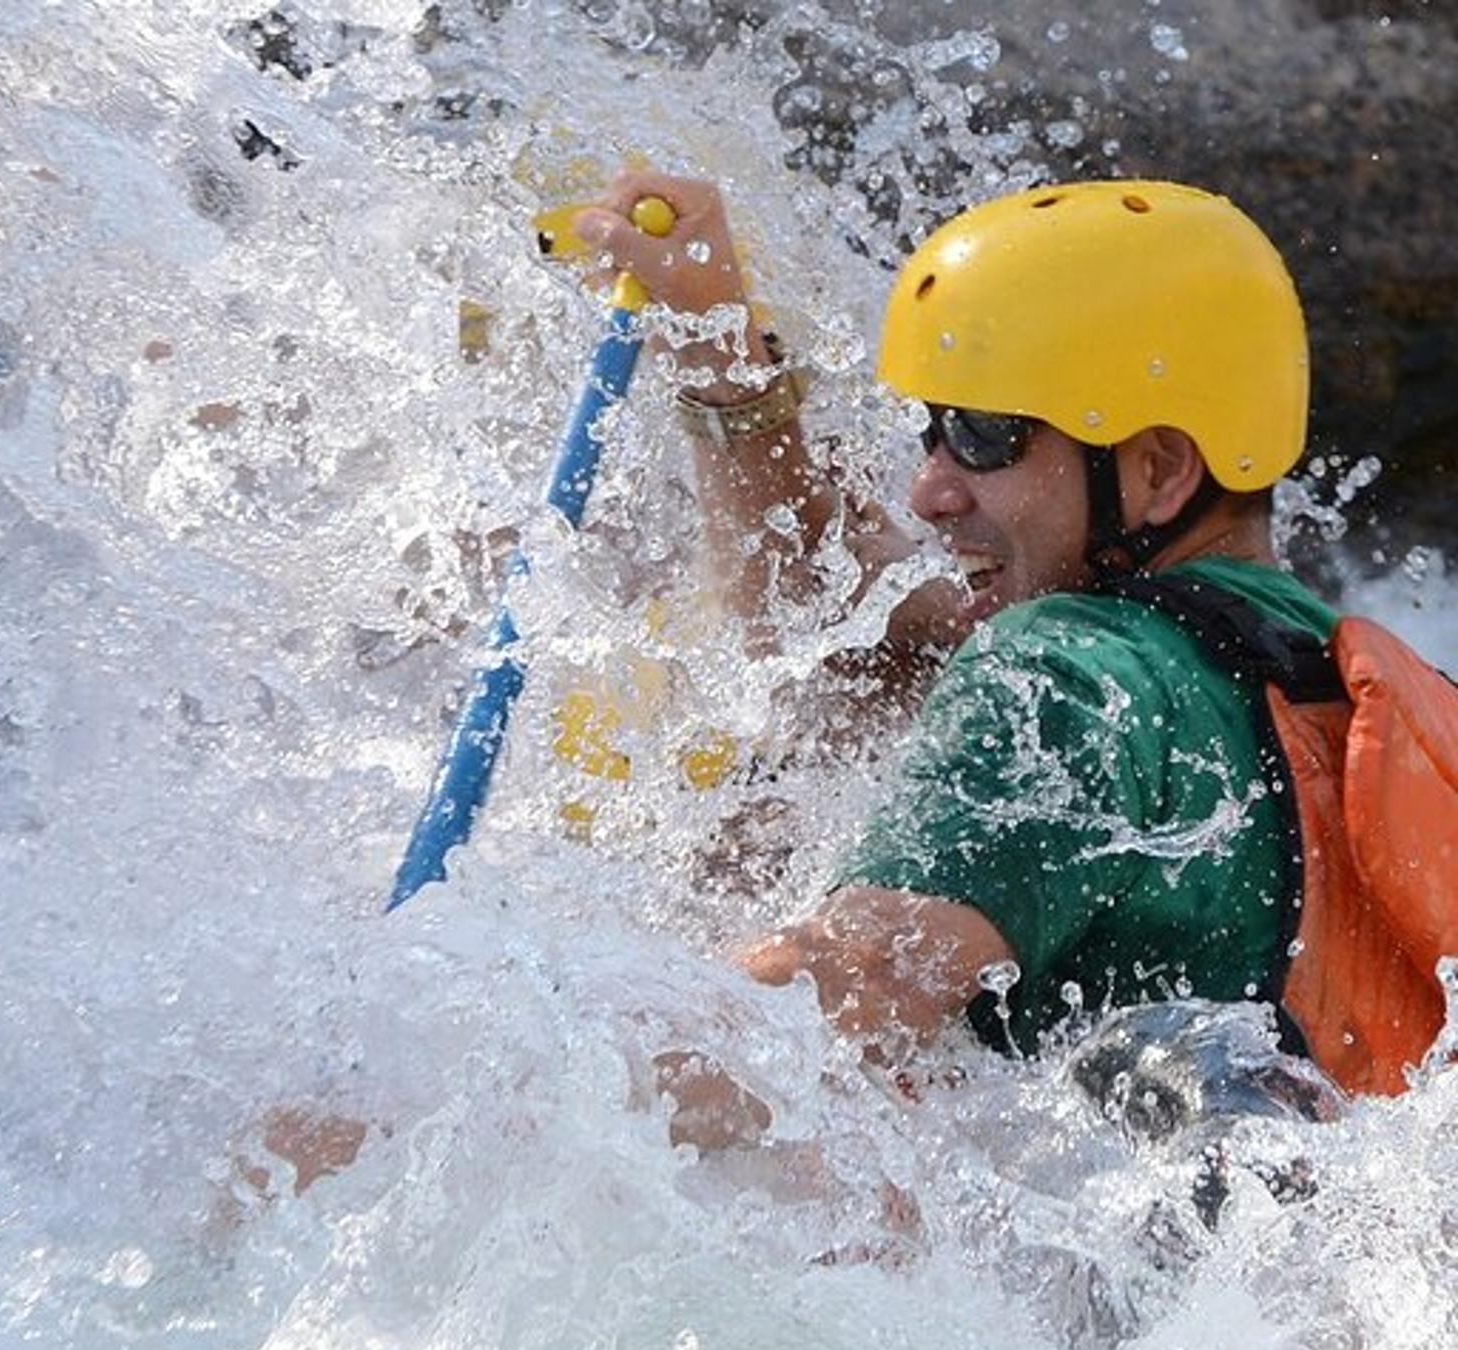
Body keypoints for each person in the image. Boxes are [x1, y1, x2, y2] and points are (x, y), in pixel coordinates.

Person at [571, 170, 1338, 1074]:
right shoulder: (1305, 658)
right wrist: (718, 351)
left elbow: (835, 995)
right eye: (933, 430)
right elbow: (822, 643)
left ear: (1160, 469)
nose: (928, 490)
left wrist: (490, 1073)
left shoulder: (1062, 678)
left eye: (985, 434)